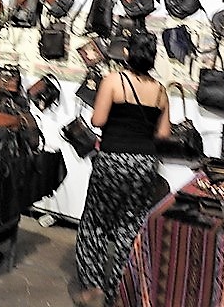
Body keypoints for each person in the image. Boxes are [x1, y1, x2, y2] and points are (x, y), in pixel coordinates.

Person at [73, 30, 171, 307]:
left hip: (113, 159)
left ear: (127, 53)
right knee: (130, 226)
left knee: (96, 223)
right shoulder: (160, 90)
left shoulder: (114, 80)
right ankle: (120, 293)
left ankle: (93, 288)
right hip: (144, 163)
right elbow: (163, 134)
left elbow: (98, 119)